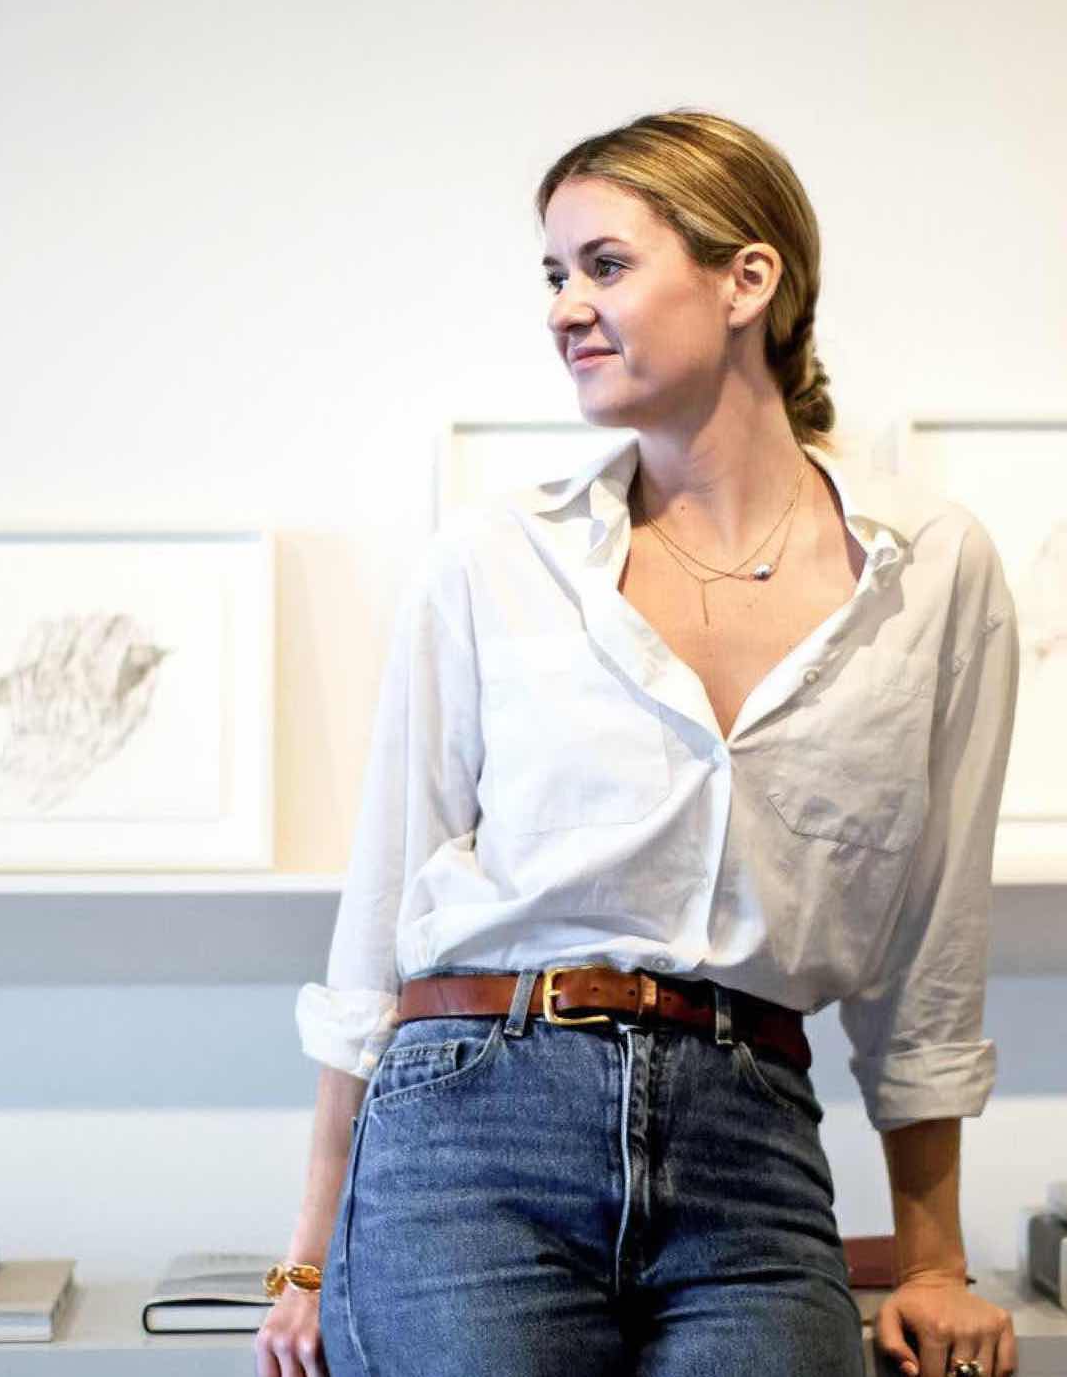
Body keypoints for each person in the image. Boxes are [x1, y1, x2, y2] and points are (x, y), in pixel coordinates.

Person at [254, 107, 1020, 1377]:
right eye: (552, 276)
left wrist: (931, 1258)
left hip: (752, 1138)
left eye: (603, 265)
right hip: (471, 1127)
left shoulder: (932, 569)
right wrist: (309, 1250)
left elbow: (932, 940)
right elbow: (381, 908)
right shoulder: (494, 560)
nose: (564, 306)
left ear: (745, 279)